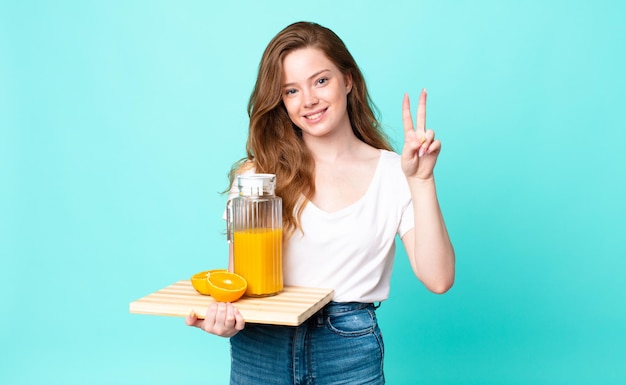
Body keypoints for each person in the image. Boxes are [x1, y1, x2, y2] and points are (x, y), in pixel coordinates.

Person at [186, 21, 455, 384]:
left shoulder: (396, 172)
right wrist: (223, 320)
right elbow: (240, 284)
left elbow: (438, 278)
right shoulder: (257, 177)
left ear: (348, 80)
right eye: (291, 90)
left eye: (321, 81)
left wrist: (421, 181)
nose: (308, 100)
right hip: (261, 345)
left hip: (346, 348)